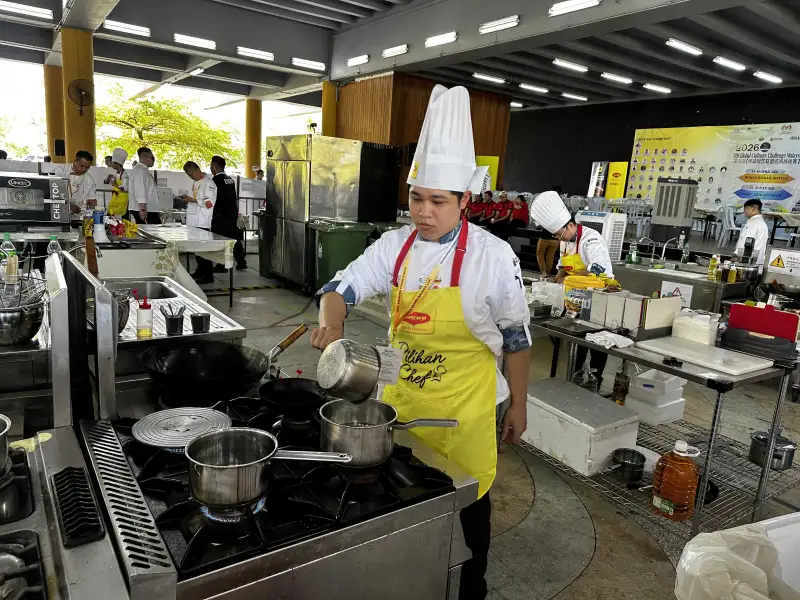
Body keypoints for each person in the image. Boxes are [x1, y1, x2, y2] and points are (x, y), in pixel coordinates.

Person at [311, 85, 530, 600]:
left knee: (467, 525)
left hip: (467, 410)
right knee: (403, 517)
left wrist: (519, 402)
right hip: (401, 402)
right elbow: (341, 287)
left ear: (464, 201)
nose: (424, 211)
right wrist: (334, 321)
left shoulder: (493, 257)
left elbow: (517, 340)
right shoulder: (395, 245)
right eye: (416, 198)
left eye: (437, 201)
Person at [531, 190, 614, 384]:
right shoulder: (565, 241)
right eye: (556, 236)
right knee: (578, 341)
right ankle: (575, 377)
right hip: (578, 299)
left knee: (596, 341)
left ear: (570, 225)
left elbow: (598, 270)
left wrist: (572, 279)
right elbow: (563, 265)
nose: (559, 239)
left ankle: (596, 380)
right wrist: (556, 281)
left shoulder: (591, 240)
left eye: (560, 234)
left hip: (599, 295)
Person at [182, 161, 217, 283]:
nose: (191, 177)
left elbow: (209, 203)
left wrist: (193, 200)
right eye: (188, 176)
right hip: (194, 221)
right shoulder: (196, 183)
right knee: (197, 249)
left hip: (202, 221)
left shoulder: (209, 183)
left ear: (197, 170)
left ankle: (208, 275)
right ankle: (200, 270)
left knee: (204, 250)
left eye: (191, 174)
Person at [210, 155, 247, 270]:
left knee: (220, 239)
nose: (210, 168)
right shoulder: (229, 179)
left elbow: (213, 199)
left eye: (211, 165)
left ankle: (222, 264)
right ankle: (241, 261)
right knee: (233, 237)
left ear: (215, 166)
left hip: (220, 215)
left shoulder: (215, 181)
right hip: (231, 213)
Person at [127, 147, 158, 223]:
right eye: (152, 158)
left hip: (147, 209)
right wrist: (143, 209)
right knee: (151, 232)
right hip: (143, 209)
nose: (153, 160)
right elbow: (140, 190)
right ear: (144, 156)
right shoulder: (140, 171)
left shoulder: (143, 170)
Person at [735, 199, 769, 267]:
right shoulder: (759, 222)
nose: (744, 211)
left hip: (748, 261)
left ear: (753, 209)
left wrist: (736, 256)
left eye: (746, 209)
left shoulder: (754, 224)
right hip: (756, 260)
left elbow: (746, 243)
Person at [103, 148, 130, 218]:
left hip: (122, 197)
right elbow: (106, 183)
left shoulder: (125, 174)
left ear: (118, 164)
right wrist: (109, 178)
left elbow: (125, 188)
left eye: (112, 163)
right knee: (111, 210)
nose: (111, 164)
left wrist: (115, 184)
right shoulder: (116, 173)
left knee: (118, 212)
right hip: (116, 196)